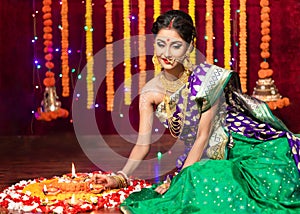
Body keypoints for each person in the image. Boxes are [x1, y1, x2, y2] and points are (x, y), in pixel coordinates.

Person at [98, 10, 300, 213]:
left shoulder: (206, 79)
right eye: (161, 44)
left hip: (239, 145)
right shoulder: (149, 93)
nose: (166, 53)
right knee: (203, 181)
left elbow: (203, 137)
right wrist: (120, 177)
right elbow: (143, 145)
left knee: (251, 182)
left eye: (175, 46)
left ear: (189, 46)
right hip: (198, 159)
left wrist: (179, 182)